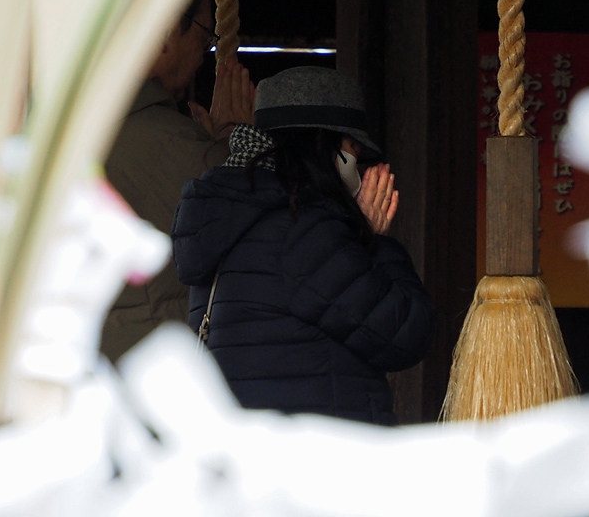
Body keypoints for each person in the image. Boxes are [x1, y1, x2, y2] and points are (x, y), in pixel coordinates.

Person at [171, 66, 435, 425]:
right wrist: (373, 242)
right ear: (324, 146)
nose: (357, 165)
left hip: (245, 443)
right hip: (315, 448)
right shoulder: (307, 230)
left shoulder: (225, 214)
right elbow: (406, 333)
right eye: (353, 148)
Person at [100, 0, 254, 362]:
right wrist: (233, 139)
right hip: (147, 362)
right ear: (167, 30)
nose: (203, 56)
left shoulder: (66, 126)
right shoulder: (176, 144)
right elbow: (251, 227)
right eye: (202, 38)